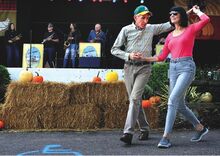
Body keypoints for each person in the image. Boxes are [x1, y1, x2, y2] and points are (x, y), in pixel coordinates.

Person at [144, 5, 210, 148]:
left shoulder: (190, 29)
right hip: (173, 68)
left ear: (181, 16)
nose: (172, 15)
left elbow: (206, 19)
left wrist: (196, 11)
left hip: (187, 67)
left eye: (175, 13)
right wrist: (144, 58)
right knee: (179, 105)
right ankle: (200, 128)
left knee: (172, 100)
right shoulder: (169, 36)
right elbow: (161, 57)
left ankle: (166, 137)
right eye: (170, 14)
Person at [111, 5, 173, 145]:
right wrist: (129, 55)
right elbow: (114, 49)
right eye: (142, 17)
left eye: (147, 17)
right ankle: (144, 129)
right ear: (135, 17)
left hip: (144, 69)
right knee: (135, 101)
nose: (145, 20)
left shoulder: (151, 28)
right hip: (129, 68)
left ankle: (128, 132)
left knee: (134, 99)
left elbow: (168, 25)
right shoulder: (126, 30)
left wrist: (184, 13)